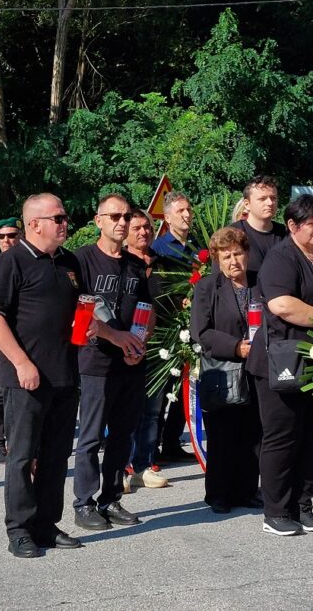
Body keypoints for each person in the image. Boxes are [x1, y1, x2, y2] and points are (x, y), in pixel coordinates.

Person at [0, 193, 91, 558]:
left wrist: (92, 327)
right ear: (34, 224)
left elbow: (82, 308)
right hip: (25, 378)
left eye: (65, 216)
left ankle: (46, 524)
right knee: (22, 456)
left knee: (56, 456)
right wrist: (21, 363)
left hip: (65, 374)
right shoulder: (11, 261)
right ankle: (20, 529)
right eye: (58, 218)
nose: (65, 223)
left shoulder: (69, 261)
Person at [245, 194, 313, 535]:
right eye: (311, 223)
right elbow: (282, 305)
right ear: (293, 226)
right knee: (282, 437)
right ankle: (276, 512)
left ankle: (302, 504)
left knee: (311, 436)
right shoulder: (281, 257)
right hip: (278, 361)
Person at [72, 193, 150, 532]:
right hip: (96, 361)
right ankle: (84, 502)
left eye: (126, 216)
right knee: (91, 437)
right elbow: (79, 314)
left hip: (130, 362)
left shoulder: (135, 264)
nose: (122, 222)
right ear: (98, 221)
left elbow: (146, 309)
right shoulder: (82, 260)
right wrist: (115, 337)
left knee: (123, 434)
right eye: (114, 216)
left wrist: (139, 342)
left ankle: (111, 498)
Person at [191, 227, 263, 513]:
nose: (234, 261)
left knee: (253, 432)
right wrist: (236, 347)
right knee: (222, 435)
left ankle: (247, 490)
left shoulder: (260, 282)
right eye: (226, 256)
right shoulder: (207, 287)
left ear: (247, 254)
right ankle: (219, 493)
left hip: (257, 367)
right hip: (223, 369)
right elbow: (201, 331)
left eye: (238, 254)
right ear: (217, 260)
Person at [148, 191, 198, 462]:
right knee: (162, 388)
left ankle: (172, 442)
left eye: (188, 209)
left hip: (192, 325)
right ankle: (151, 446)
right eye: (180, 211)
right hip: (167, 326)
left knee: (184, 387)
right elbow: (157, 289)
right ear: (167, 217)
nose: (187, 215)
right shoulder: (158, 248)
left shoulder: (197, 246)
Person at [124, 209, 169, 491]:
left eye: (148, 227)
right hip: (126, 344)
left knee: (152, 410)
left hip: (158, 346)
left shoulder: (162, 263)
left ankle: (144, 464)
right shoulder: (121, 262)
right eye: (137, 228)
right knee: (126, 410)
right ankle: (122, 467)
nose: (144, 232)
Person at [0, 216, 22, 464]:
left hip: (26, 336)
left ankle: (19, 440)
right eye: (2, 237)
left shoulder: (29, 260)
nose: (7, 241)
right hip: (0, 335)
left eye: (12, 235)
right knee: (0, 391)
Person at [228, 176, 286, 286]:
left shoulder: (286, 234)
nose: (270, 203)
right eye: (262, 199)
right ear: (247, 204)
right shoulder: (231, 235)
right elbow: (220, 280)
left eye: (273, 198)